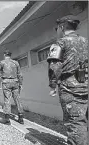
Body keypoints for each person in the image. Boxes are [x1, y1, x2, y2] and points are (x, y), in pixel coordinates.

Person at [47, 15, 88, 145]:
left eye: (57, 28)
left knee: (75, 123)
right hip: (86, 84)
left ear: (62, 27)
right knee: (84, 119)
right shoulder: (86, 41)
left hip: (69, 87)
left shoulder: (60, 43)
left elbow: (55, 66)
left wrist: (53, 86)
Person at [0, 50, 24, 125]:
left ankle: (7, 119)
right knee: (17, 99)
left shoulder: (1, 62)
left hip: (6, 82)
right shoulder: (16, 62)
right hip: (15, 82)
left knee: (7, 99)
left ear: (5, 54)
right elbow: (20, 74)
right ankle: (21, 118)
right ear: (10, 55)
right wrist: (21, 83)